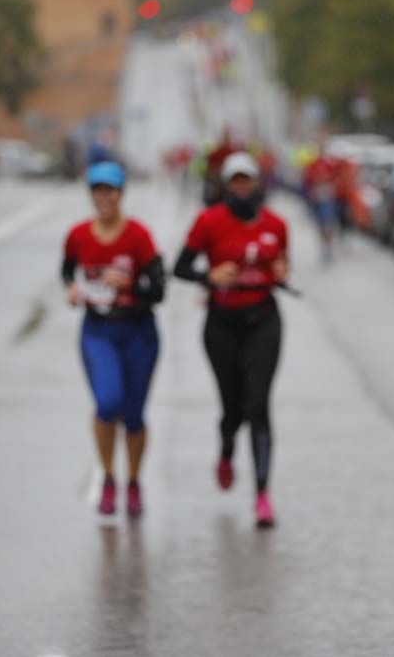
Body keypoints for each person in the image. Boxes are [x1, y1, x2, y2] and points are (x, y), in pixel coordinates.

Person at [173, 152, 288, 528]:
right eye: (235, 181)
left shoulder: (276, 224)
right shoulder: (209, 222)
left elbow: (281, 267)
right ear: (226, 185)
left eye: (247, 180)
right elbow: (180, 267)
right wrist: (210, 275)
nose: (241, 187)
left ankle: (262, 495)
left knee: (258, 404)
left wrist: (281, 272)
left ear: (257, 183)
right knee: (233, 407)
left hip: (263, 319)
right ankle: (226, 448)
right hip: (222, 322)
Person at [62, 161, 165, 516]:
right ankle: (108, 477)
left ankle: (133, 481)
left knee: (134, 415)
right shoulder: (78, 234)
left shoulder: (138, 235)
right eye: (97, 191)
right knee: (107, 403)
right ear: (90, 195)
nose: (104, 197)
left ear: (121, 194)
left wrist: (131, 285)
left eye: (110, 190)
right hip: (98, 331)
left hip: (138, 331)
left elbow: (159, 289)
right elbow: (66, 269)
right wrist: (72, 288)